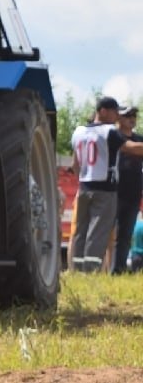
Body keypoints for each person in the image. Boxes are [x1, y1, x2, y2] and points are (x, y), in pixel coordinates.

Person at [69, 96, 143, 272]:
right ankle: (91, 270)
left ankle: (77, 269)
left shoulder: (78, 131)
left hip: (85, 187)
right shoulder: (108, 131)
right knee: (99, 233)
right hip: (105, 189)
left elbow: (75, 164)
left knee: (81, 231)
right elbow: (132, 148)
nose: (117, 116)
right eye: (115, 112)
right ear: (103, 111)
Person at [113, 104, 143, 274]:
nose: (132, 118)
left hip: (133, 193)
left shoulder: (139, 138)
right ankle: (94, 270)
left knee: (125, 236)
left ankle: (119, 270)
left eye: (134, 115)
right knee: (106, 235)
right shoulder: (113, 136)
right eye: (127, 115)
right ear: (118, 118)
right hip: (113, 192)